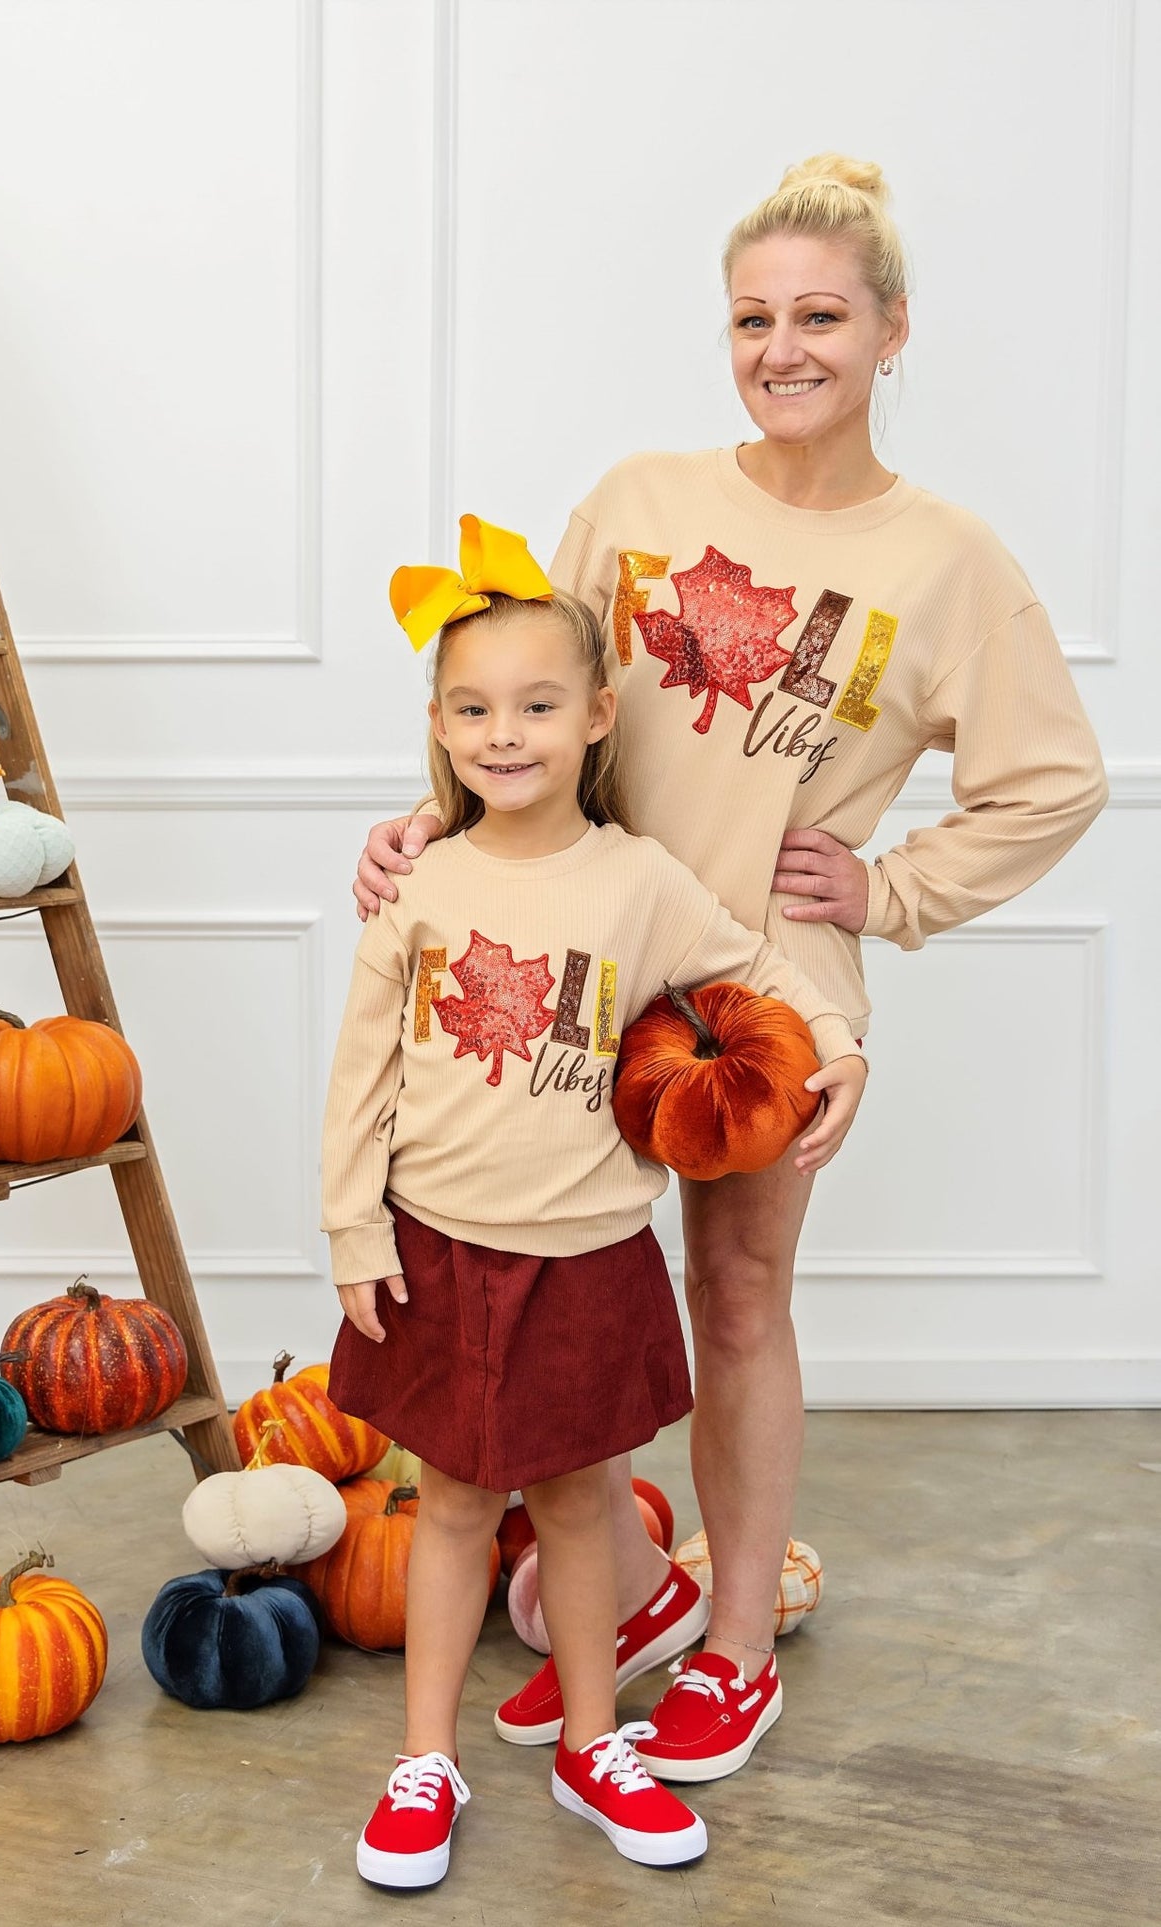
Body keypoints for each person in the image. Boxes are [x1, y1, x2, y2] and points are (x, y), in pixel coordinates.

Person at [353, 155, 1107, 1786]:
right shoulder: (635, 502)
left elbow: (1053, 782)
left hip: (760, 988)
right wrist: (427, 835)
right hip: (570, 956)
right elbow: (527, 691)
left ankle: (738, 1643)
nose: (783, 346)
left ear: (890, 331)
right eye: (753, 317)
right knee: (551, 1283)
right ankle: (617, 1607)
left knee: (737, 1295)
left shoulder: (949, 559)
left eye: (820, 315)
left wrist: (891, 890)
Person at [322, 514, 868, 1888]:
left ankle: (588, 1744)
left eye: (536, 706)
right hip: (438, 1247)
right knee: (448, 1504)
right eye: (472, 710)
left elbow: (748, 969)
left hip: (589, 1256)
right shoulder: (425, 883)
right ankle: (424, 1759)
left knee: (579, 1504)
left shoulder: (634, 880)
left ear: (596, 714)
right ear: (440, 726)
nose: (503, 735)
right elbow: (359, 1071)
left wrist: (836, 1044)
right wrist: (351, 1226)